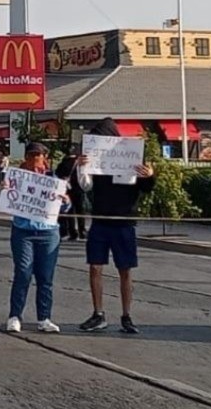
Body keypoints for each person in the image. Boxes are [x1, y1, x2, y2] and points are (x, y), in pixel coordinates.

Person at [76, 118, 156, 334]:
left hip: (124, 221)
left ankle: (126, 315)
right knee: (95, 267)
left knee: (125, 270)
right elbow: (85, 186)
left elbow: (146, 187)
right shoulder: (96, 160)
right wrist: (82, 167)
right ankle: (98, 313)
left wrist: (150, 176)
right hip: (100, 220)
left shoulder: (130, 155)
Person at [1, 142, 68, 334]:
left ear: (45, 159)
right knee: (23, 273)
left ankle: (44, 318)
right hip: (23, 231)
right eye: (32, 156)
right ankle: (15, 316)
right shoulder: (16, 177)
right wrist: (4, 190)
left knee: (45, 277)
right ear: (26, 158)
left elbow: (64, 208)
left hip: (48, 232)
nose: (36, 160)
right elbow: (8, 199)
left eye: (39, 156)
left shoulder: (53, 179)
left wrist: (65, 201)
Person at [55, 149, 87, 241]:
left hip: (67, 190)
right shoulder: (79, 162)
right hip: (79, 188)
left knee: (70, 211)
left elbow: (58, 173)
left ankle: (72, 232)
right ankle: (82, 231)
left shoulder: (64, 162)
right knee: (80, 210)